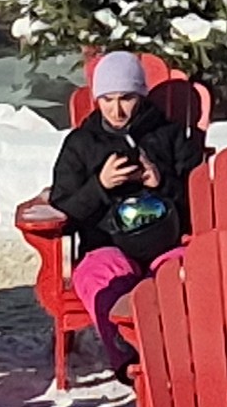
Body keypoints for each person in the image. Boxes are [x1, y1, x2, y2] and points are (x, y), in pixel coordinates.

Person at [47, 51, 208, 376]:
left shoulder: (172, 137)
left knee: (181, 277)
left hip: (166, 244)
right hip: (107, 245)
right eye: (107, 99)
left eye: (126, 98)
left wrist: (159, 180)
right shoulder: (81, 144)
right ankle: (128, 361)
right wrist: (100, 185)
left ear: (141, 96)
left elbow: (201, 201)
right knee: (103, 278)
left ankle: (177, 359)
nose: (116, 109)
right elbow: (64, 207)